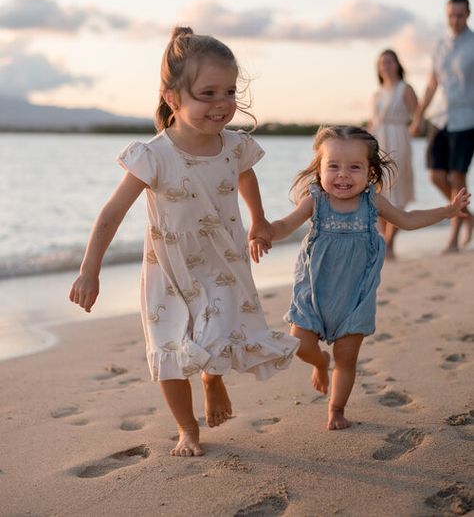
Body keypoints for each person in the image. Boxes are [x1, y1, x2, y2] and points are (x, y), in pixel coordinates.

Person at [69, 27, 299, 457]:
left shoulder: (234, 146)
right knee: (169, 347)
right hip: (168, 269)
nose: (222, 104)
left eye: (229, 91)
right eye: (208, 93)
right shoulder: (153, 155)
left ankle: (212, 379)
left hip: (221, 260)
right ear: (172, 98)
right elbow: (111, 214)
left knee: (215, 337)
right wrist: (89, 270)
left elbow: (245, 176)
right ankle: (186, 429)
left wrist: (260, 220)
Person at [250, 125, 470, 431]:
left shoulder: (372, 203)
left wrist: (446, 211)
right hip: (314, 291)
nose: (343, 175)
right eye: (334, 166)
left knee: (347, 357)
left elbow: (407, 220)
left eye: (354, 167)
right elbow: (285, 225)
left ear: (370, 172)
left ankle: (336, 409)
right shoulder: (315, 200)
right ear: (319, 168)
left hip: (355, 297)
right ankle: (319, 363)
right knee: (299, 344)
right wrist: (265, 233)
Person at [410, 0, 474, 253]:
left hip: (467, 118)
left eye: (459, 15)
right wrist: (418, 115)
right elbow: (431, 83)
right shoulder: (439, 45)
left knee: (457, 175)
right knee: (435, 175)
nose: (455, 20)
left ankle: (454, 235)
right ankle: (468, 216)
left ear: (468, 14)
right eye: (451, 15)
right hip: (440, 117)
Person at [369, 49, 418, 259]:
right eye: (382, 63)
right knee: (378, 188)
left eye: (389, 62)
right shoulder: (377, 93)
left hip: (398, 138)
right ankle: (383, 240)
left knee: (396, 187)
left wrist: (415, 128)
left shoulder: (404, 89)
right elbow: (373, 121)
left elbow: (418, 115)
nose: (385, 66)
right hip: (378, 139)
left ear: (397, 64)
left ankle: (389, 243)